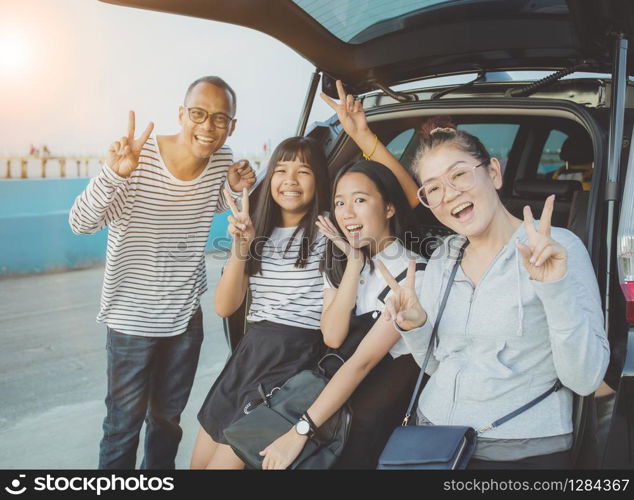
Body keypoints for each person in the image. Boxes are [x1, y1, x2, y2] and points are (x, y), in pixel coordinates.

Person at [258, 112, 609, 470]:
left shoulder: (555, 248)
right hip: (432, 437)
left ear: (493, 172)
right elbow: (438, 361)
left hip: (517, 447)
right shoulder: (444, 256)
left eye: (459, 174)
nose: (450, 193)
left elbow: (585, 379)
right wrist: (415, 325)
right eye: (434, 188)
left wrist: (554, 289)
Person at [69, 76, 256, 469]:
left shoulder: (221, 159)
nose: (207, 127)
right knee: (122, 427)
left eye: (220, 119)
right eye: (198, 114)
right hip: (131, 321)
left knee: (167, 424)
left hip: (185, 320)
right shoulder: (138, 161)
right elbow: (80, 223)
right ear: (181, 114)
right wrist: (114, 173)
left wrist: (234, 188)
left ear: (232, 126)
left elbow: (213, 200)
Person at [191, 136, 331, 469]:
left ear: (319, 180)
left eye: (304, 171)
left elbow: (398, 201)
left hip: (290, 362)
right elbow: (225, 307)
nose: (290, 181)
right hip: (250, 353)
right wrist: (242, 244)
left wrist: (365, 138)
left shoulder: (330, 230)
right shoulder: (258, 231)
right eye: (281, 170)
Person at [316, 160, 425, 469]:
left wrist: (302, 430)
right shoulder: (340, 264)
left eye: (359, 200)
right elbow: (333, 336)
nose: (347, 212)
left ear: (389, 208)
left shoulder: (415, 274)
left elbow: (362, 364)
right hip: (335, 412)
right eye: (339, 203)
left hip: (370, 423)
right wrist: (353, 261)